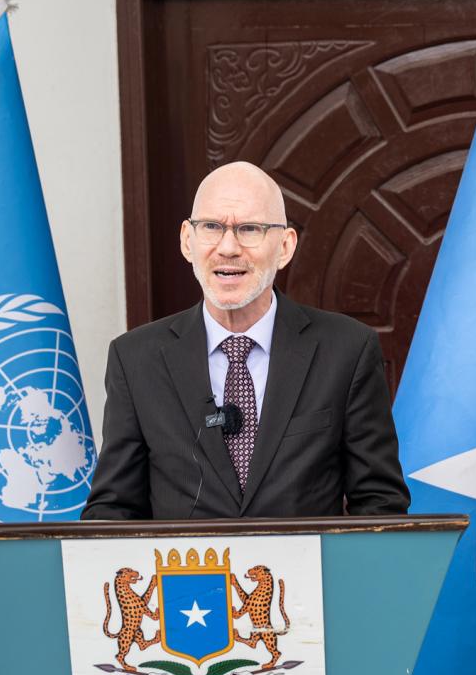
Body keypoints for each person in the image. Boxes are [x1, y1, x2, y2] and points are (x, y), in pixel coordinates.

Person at [82, 162, 409, 520]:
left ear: (284, 247)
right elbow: (113, 511)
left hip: (305, 574)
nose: (227, 247)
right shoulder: (135, 359)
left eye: (249, 228)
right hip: (188, 576)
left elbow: (380, 507)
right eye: (211, 227)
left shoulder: (347, 350)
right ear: (186, 241)